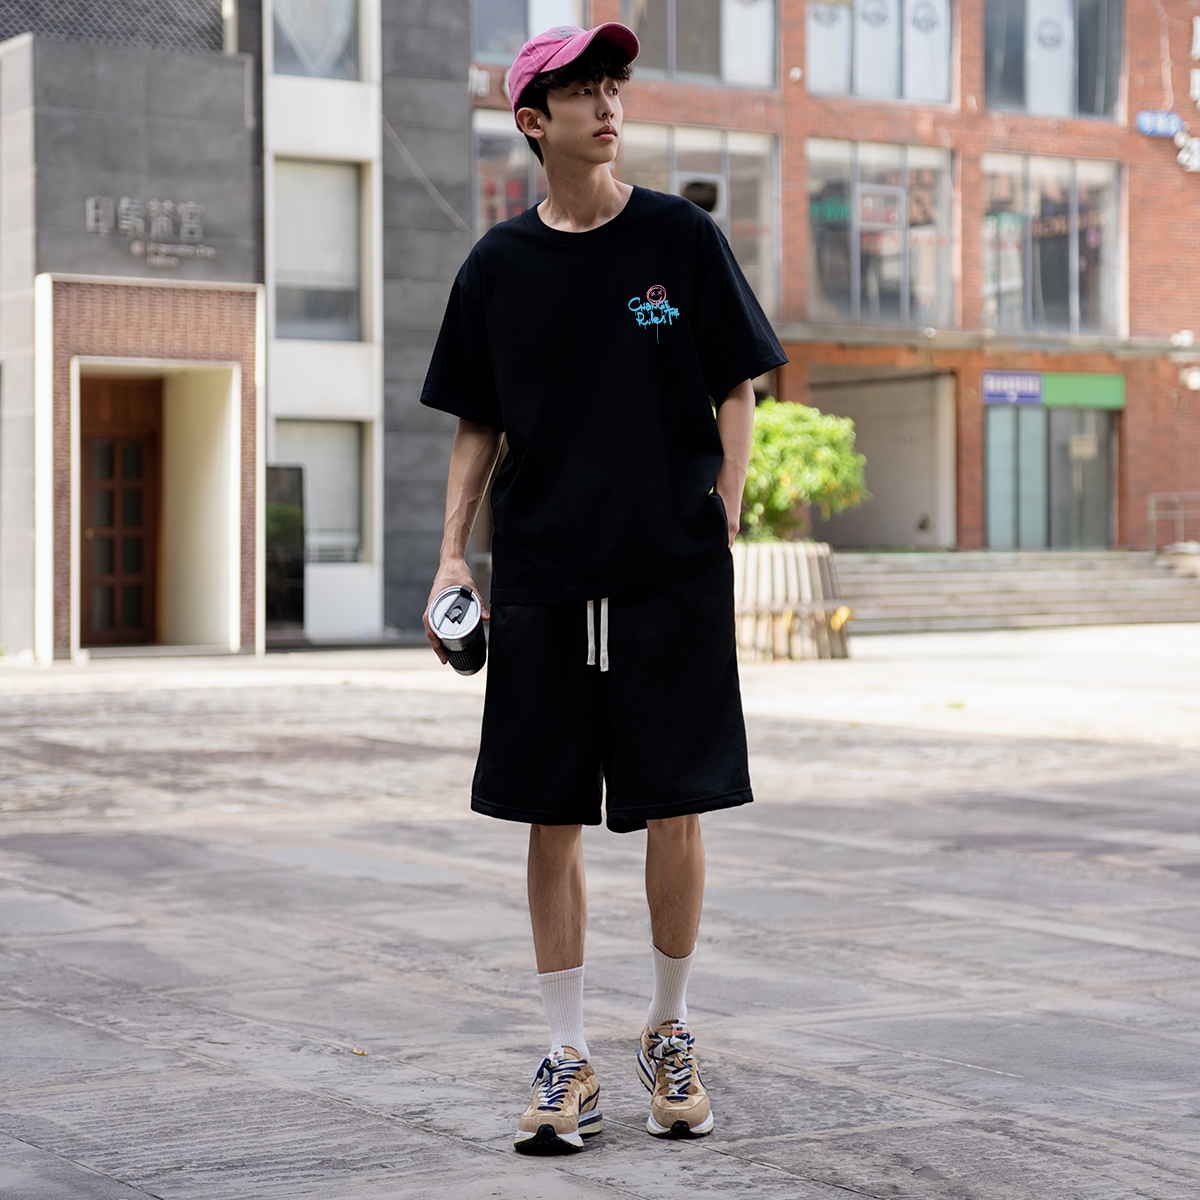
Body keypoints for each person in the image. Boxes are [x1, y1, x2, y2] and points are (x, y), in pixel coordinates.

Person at [420, 20, 786, 1156]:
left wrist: (723, 506)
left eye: (613, 86)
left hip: (669, 574)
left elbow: (739, 383)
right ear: (534, 122)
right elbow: (477, 425)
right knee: (551, 813)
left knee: (677, 803)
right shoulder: (496, 266)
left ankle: (668, 1031)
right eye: (581, 92)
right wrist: (452, 555)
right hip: (543, 574)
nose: (608, 105)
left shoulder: (681, 237)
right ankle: (567, 1055)